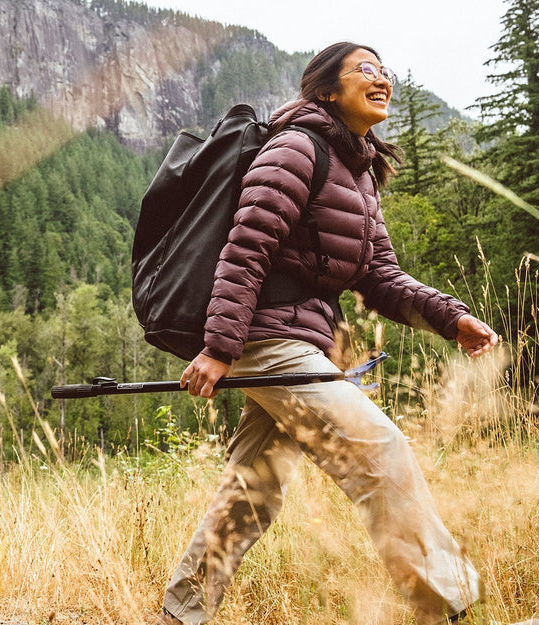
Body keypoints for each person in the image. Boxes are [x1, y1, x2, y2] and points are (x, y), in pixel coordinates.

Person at [156, 42, 505, 625]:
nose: (381, 79)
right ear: (324, 90)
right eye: (364, 70)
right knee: (381, 451)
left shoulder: (357, 172)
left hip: (299, 342)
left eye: (384, 71)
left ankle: (180, 614)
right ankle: (449, 611)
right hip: (267, 341)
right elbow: (246, 248)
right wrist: (219, 348)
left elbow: (380, 276)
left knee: (252, 491)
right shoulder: (296, 149)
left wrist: (451, 317)